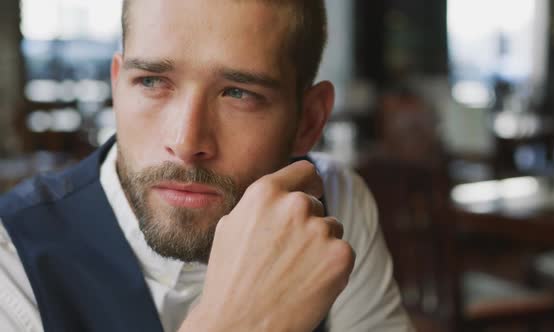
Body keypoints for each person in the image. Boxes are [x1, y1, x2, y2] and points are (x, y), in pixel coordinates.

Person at [0, 0, 414, 331]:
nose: (185, 143)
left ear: (308, 121)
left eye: (238, 93)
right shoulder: (12, 258)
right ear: (118, 84)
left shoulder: (336, 199)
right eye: (151, 82)